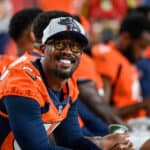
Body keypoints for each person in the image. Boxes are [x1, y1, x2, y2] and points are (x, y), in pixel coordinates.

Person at [0, 12, 133, 149]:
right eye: (59, 44)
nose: (68, 51)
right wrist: (102, 145)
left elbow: (71, 140)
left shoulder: (68, 84)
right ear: (43, 49)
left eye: (75, 47)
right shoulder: (22, 80)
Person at [92, 12, 150, 120]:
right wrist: (142, 104)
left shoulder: (125, 58)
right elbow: (101, 111)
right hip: (117, 129)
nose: (143, 54)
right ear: (126, 38)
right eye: (142, 47)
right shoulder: (107, 57)